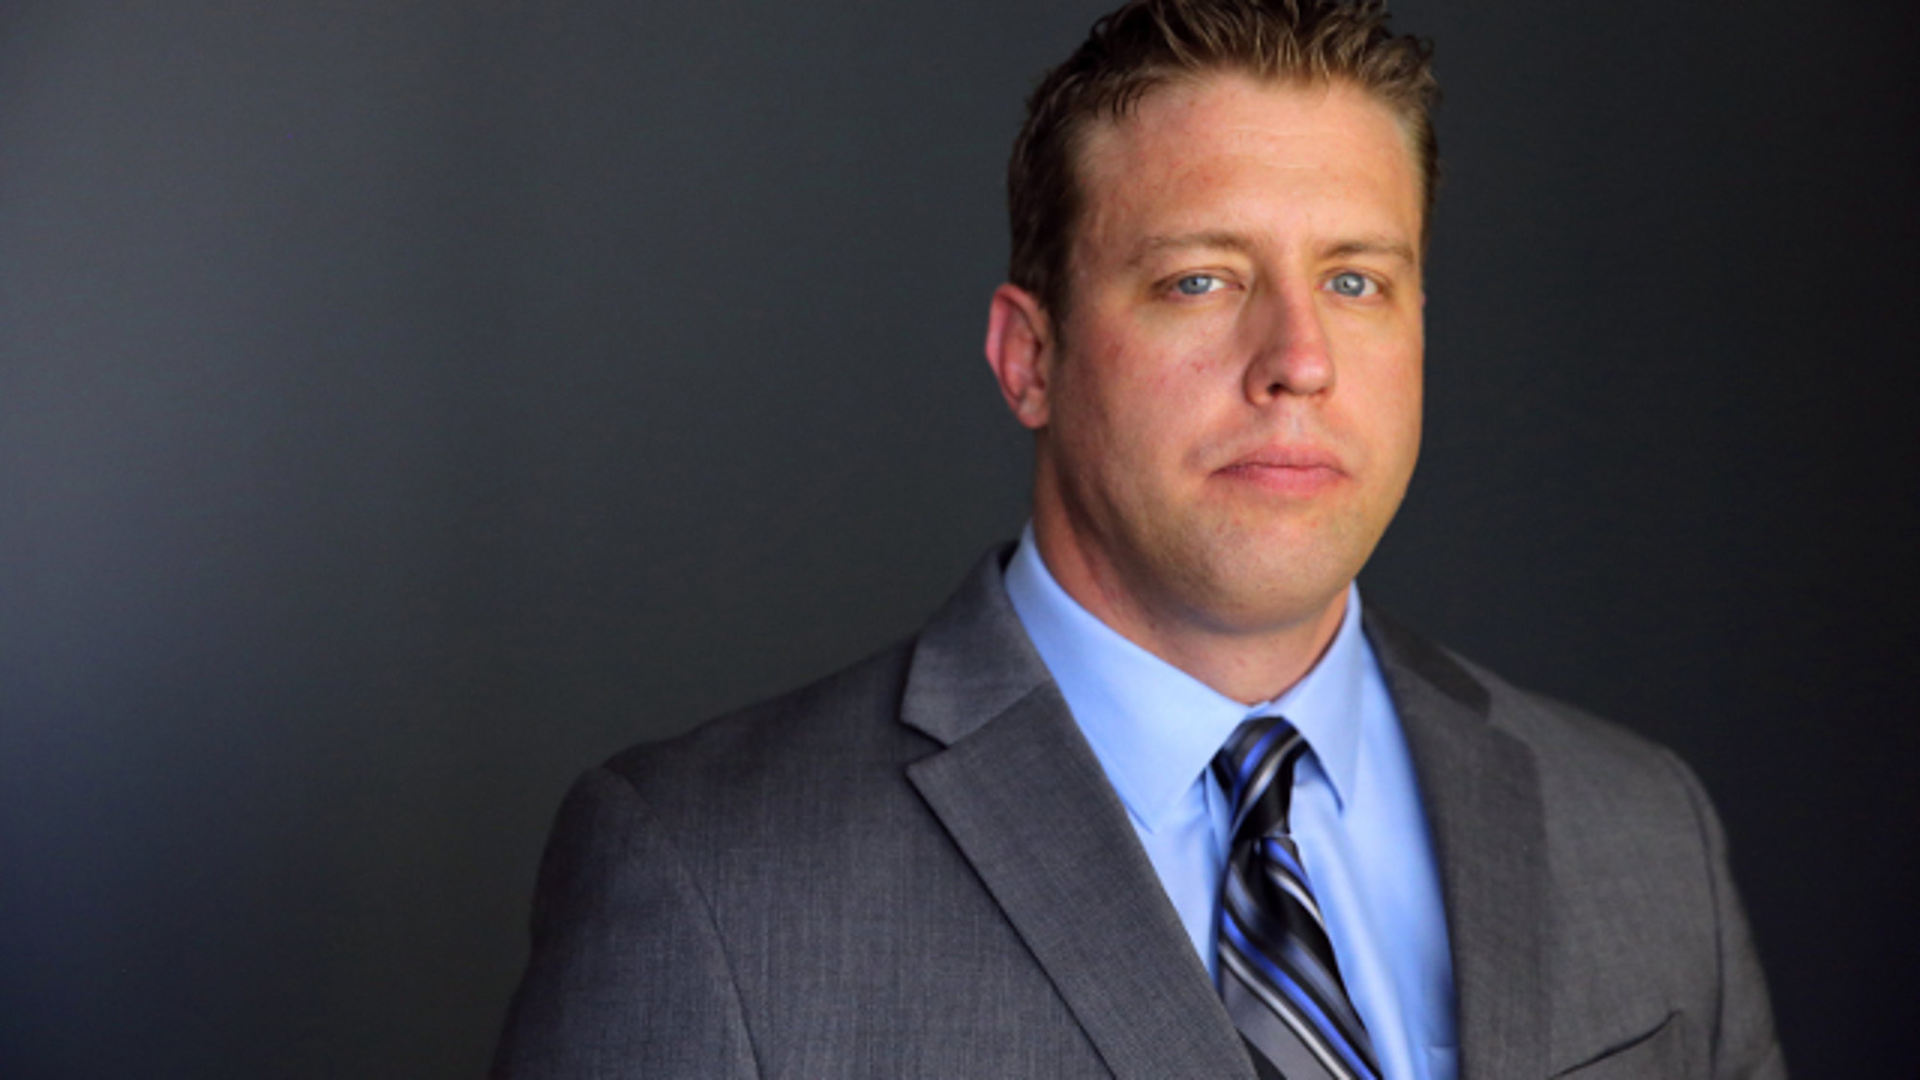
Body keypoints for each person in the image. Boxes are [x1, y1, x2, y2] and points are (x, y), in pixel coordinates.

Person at [490, 1, 1785, 1077]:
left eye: (1355, 280)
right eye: (1200, 279)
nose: (1297, 361)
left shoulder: (1640, 828)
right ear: (1030, 358)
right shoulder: (712, 885)